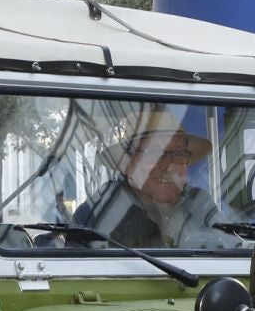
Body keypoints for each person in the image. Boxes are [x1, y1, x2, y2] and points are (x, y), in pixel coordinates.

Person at [79, 105, 227, 248]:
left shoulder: (199, 202)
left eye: (178, 153)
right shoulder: (101, 208)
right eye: (155, 152)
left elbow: (236, 246)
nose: (169, 165)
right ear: (127, 163)